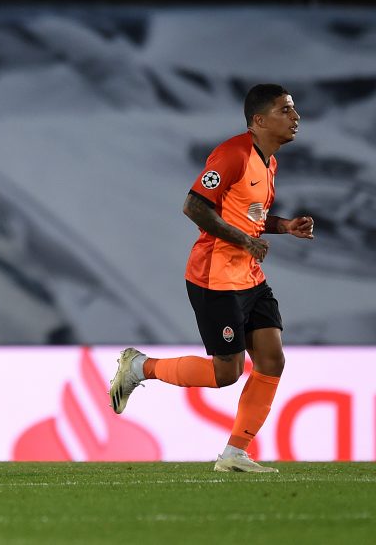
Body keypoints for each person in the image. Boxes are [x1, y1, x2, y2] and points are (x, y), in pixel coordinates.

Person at [109, 84, 314, 473]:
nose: (295, 116)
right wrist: (243, 241)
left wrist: (284, 226)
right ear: (259, 120)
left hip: (249, 276)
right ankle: (139, 367)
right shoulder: (232, 154)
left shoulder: (268, 162)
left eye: (294, 109)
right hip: (214, 276)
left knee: (271, 360)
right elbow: (194, 206)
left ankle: (234, 454)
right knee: (227, 373)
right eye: (285, 110)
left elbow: (248, 218)